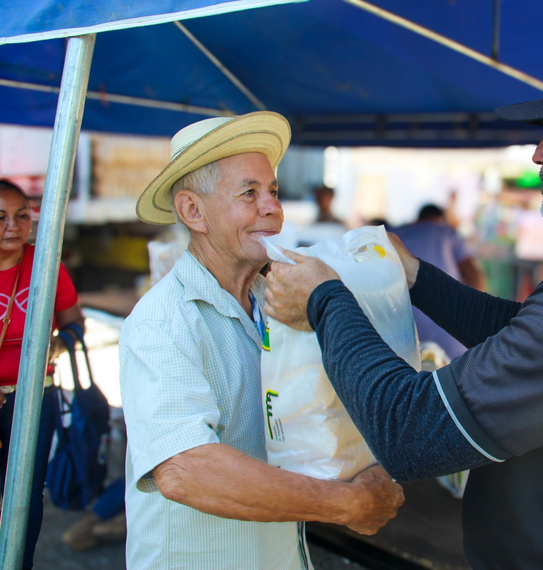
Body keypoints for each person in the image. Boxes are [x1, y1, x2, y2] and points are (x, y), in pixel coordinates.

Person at [264, 40, 543, 569]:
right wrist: (415, 277)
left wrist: (324, 299)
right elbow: (527, 335)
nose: (537, 154)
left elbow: (409, 432)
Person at [119, 111, 403, 570]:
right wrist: (345, 504)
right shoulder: (163, 322)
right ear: (194, 211)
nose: (272, 208)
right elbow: (184, 469)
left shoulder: (277, 297)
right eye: (249, 193)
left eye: (272, 191)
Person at [0, 178, 84, 570]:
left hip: (34, 400)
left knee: (24, 496)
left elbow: (74, 321)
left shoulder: (45, 264)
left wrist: (60, 343)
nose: (14, 225)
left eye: (22, 216)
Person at [392, 204, 486, 359]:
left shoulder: (398, 234)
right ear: (440, 219)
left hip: (406, 326)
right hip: (448, 325)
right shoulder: (448, 233)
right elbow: (474, 275)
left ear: (419, 218)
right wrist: (471, 315)